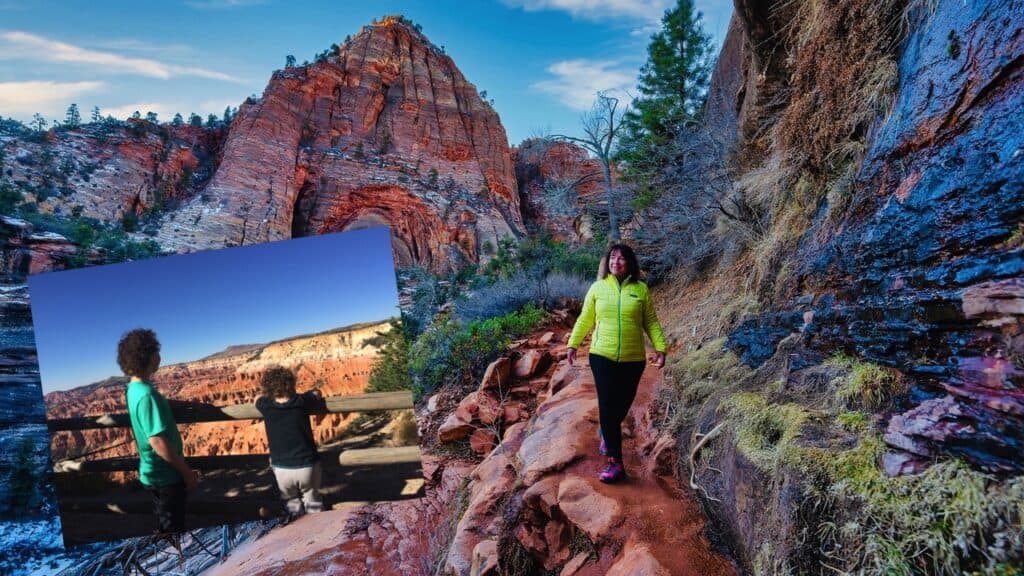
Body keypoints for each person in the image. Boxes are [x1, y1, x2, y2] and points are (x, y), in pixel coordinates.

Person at [566, 244, 666, 483]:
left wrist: (661, 348)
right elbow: (585, 319)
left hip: (633, 359)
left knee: (623, 403)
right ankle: (615, 462)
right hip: (602, 356)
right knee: (608, 406)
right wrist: (573, 344)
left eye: (621, 259)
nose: (616, 262)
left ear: (629, 263)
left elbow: (650, 322)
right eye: (613, 258)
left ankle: (607, 430)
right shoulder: (598, 288)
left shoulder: (640, 290)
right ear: (607, 263)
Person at [119, 328, 200, 535]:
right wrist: (186, 472)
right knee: (173, 529)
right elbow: (158, 442)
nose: (160, 356)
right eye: (156, 352)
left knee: (165, 522)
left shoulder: (133, 389)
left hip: (152, 474)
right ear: (146, 356)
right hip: (167, 478)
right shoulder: (147, 395)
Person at [255, 366, 325, 517]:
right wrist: (313, 392)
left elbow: (257, 399)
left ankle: (297, 530)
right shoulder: (302, 401)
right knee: (312, 501)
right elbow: (316, 393)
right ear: (291, 384)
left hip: (281, 468)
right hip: (307, 465)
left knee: (292, 503)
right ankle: (318, 532)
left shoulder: (265, 405)